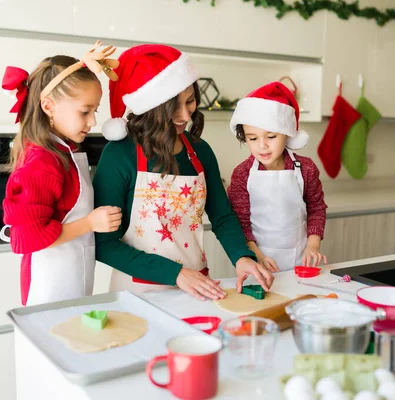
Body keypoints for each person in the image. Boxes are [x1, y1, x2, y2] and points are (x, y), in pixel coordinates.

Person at [94, 44, 274, 301]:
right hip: (138, 292)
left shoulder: (200, 151)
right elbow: (104, 245)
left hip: (196, 286)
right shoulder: (119, 155)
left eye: (190, 101)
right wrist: (176, 273)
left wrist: (242, 257)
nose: (185, 114)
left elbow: (222, 216)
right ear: (150, 106)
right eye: (172, 108)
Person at [1, 42, 123, 306]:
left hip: (73, 282)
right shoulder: (42, 161)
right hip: (49, 289)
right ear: (48, 106)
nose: (92, 122)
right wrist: (90, 224)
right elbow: (27, 238)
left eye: (95, 111)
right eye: (84, 111)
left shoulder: (65, 149)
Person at [227, 82, 328, 271]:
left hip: (301, 259)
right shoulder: (242, 174)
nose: (262, 145)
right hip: (258, 262)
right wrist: (257, 256)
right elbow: (240, 223)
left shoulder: (305, 168)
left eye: (271, 137)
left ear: (287, 134)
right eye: (253, 138)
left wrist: (313, 246)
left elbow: (316, 209)